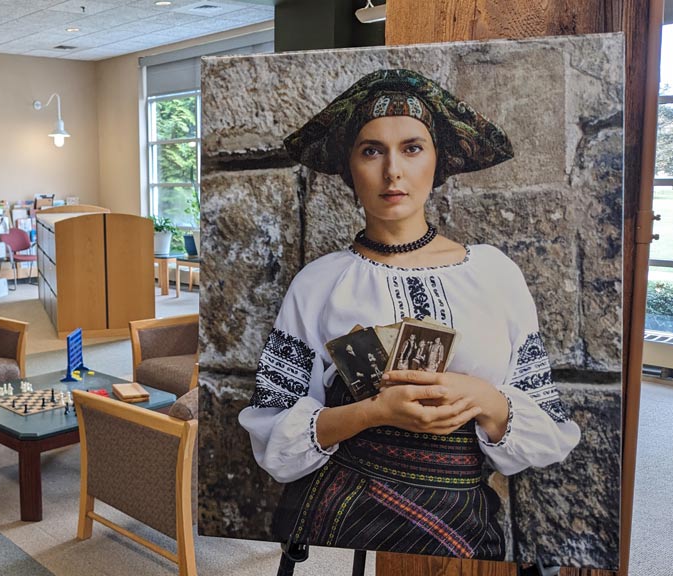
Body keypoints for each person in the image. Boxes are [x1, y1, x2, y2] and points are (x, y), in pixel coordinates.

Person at [238, 69, 581, 560]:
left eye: (413, 148)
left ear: (437, 161)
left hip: (462, 522)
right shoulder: (318, 284)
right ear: (349, 168)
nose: (392, 171)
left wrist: (484, 399)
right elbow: (272, 433)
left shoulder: (494, 274)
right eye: (372, 150)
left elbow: (547, 428)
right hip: (342, 513)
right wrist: (371, 413)